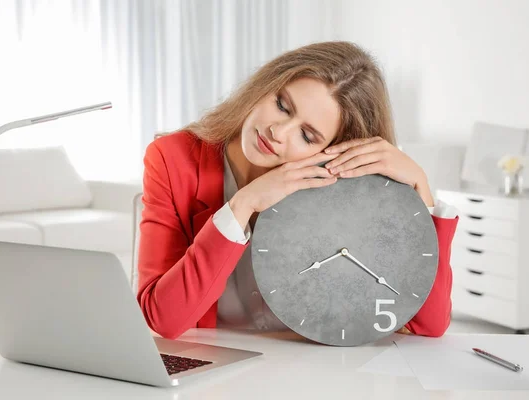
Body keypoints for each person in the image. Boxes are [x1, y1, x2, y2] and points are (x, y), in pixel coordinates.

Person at [137, 41, 459, 340]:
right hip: (215, 374)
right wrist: (242, 204)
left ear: (336, 150)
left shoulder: (339, 191)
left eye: (307, 136)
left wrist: (420, 194)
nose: (277, 132)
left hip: (313, 375)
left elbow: (427, 326)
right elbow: (163, 317)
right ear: (266, 85)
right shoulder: (171, 159)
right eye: (282, 104)